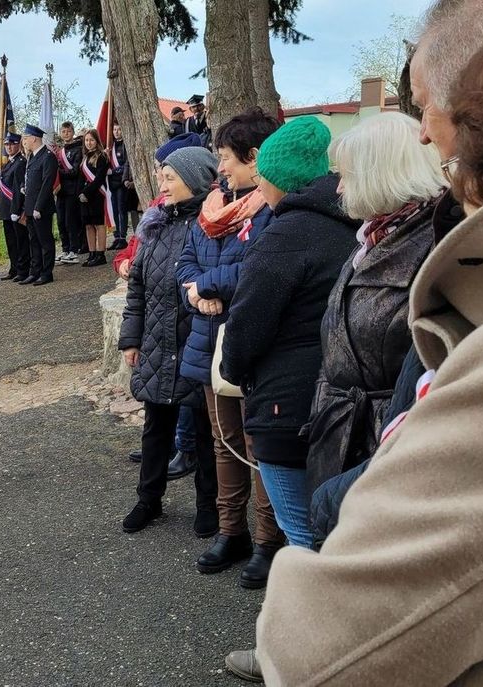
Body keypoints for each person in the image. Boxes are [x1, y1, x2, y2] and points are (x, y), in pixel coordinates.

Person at [255, 13, 483, 683]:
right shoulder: (377, 240)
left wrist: (342, 517)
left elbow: (318, 650)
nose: (421, 131)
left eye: (432, 105)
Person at [218, 116, 359, 552]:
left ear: (281, 179)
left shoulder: (285, 234)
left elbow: (248, 323)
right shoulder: (353, 223)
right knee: (338, 531)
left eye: (263, 178)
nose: (259, 187)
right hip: (344, 403)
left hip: (287, 406)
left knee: (303, 537)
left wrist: (233, 368)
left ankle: (306, 618)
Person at [304, 112, 444, 496]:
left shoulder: (435, 246)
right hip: (341, 435)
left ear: (379, 175)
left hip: (387, 452)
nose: (337, 189)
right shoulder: (372, 238)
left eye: (346, 176)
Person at [175, 113, 282, 586]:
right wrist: (194, 291)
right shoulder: (211, 209)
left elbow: (259, 271)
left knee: (260, 443)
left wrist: (208, 284)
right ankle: (230, 529)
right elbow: (186, 263)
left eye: (225, 158)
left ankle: (267, 539)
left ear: (253, 157)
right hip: (208, 338)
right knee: (224, 442)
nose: (221, 168)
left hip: (252, 339)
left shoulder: (272, 210)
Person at [118, 146, 220, 534]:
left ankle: (208, 506)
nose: (161, 182)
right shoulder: (155, 225)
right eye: (162, 175)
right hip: (158, 342)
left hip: (196, 344)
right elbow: (138, 288)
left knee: (205, 432)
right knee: (155, 427)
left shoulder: (211, 224)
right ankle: (149, 499)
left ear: (193, 180)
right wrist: (132, 339)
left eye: (169, 176)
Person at [20, 124, 57, 286]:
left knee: (45, 241)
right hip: (30, 206)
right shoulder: (32, 156)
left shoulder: (48, 156)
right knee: (33, 240)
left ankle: (46, 273)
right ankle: (35, 272)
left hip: (40, 208)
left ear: (34, 138)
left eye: (25, 138)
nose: (24, 142)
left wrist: (38, 207)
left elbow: (47, 184)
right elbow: (30, 179)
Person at [0, 133, 29, 281]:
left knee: (20, 240)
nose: (9, 147)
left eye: (12, 144)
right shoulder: (7, 163)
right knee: (10, 241)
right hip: (6, 208)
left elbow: (19, 188)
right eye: (7, 145)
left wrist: (19, 209)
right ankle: (14, 268)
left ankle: (23, 269)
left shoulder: (21, 162)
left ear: (18, 144)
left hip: (16, 207)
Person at [78, 129, 110, 267]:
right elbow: (81, 178)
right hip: (84, 196)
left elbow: (99, 178)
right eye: (86, 140)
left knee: (98, 224)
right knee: (88, 225)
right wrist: (80, 193)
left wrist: (86, 192)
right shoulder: (84, 158)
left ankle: (100, 253)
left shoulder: (102, 157)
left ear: (97, 141)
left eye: (91, 140)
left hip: (96, 194)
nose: (89, 143)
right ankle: (91, 253)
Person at [54, 121, 85, 264]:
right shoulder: (60, 151)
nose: (66, 134)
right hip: (60, 191)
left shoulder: (78, 149)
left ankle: (73, 249)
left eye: (68, 131)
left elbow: (73, 171)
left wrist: (57, 171)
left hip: (72, 190)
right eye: (63, 131)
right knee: (60, 221)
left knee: (70, 221)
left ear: (72, 132)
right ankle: (65, 249)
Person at [107, 123, 129, 250]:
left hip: (121, 182)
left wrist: (114, 171)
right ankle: (116, 237)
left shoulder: (125, 145)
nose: (117, 132)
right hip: (111, 183)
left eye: (119, 129)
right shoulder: (110, 145)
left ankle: (123, 237)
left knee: (121, 210)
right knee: (113, 210)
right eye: (114, 129)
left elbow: (127, 163)